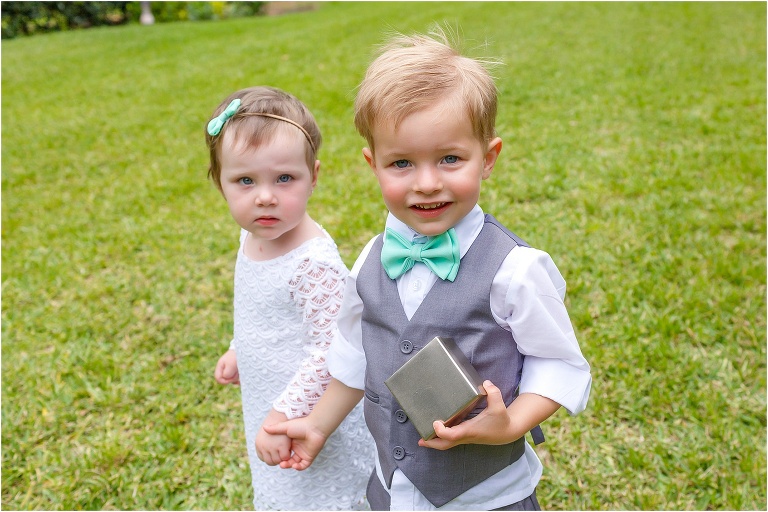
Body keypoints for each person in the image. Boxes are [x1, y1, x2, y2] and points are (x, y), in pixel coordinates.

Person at [265, 30, 592, 511]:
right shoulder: (372, 258)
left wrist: (511, 423)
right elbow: (356, 353)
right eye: (401, 163)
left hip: (485, 495)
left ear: (489, 158)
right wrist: (316, 425)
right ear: (372, 165)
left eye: (450, 159)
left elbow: (560, 363)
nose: (426, 183)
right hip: (393, 487)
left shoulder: (514, 269)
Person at [206, 86, 374, 510]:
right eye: (245, 180)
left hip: (310, 415)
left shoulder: (312, 263)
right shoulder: (254, 233)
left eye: (285, 178)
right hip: (268, 399)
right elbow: (257, 307)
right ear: (220, 183)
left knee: (320, 495)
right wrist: (238, 348)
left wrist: (283, 418)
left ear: (313, 176)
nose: (265, 196)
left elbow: (332, 350)